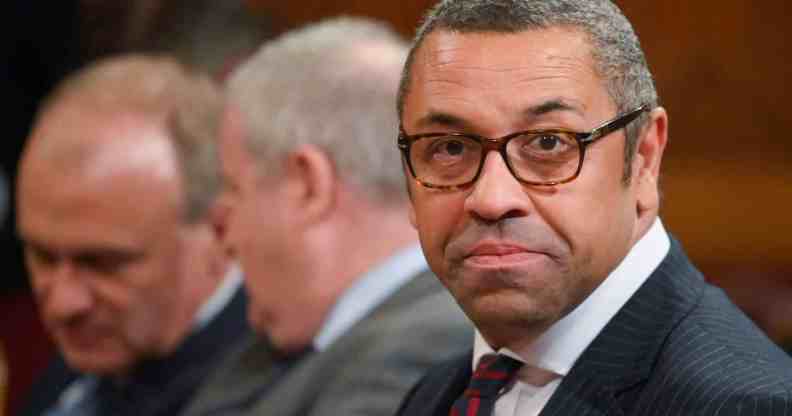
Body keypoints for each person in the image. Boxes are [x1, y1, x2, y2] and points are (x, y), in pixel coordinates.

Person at [394, 1, 792, 415]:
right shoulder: (435, 395)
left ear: (644, 157)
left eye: (549, 143)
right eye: (450, 147)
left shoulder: (743, 404)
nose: (493, 199)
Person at [181, 17, 472, 416]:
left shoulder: (424, 347)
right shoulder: (291, 342)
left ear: (308, 184)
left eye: (234, 189)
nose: (225, 235)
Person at [16, 55, 249, 416]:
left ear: (221, 231)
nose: (64, 304)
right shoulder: (83, 370)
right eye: (42, 257)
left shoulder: (284, 394)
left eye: (104, 264)